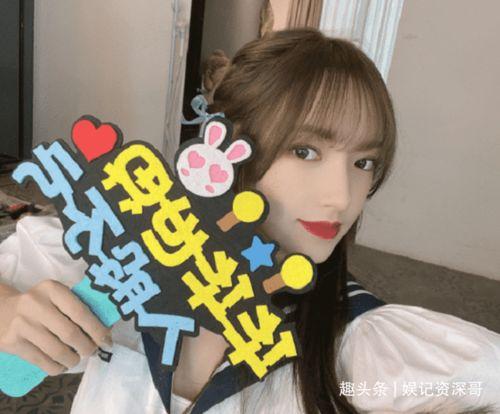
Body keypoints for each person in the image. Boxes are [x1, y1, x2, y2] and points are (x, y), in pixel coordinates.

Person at [0, 29, 499, 414]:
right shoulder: (108, 255)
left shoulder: (369, 355)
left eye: (363, 162)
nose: (342, 197)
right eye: (305, 151)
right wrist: (7, 311)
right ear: (228, 143)